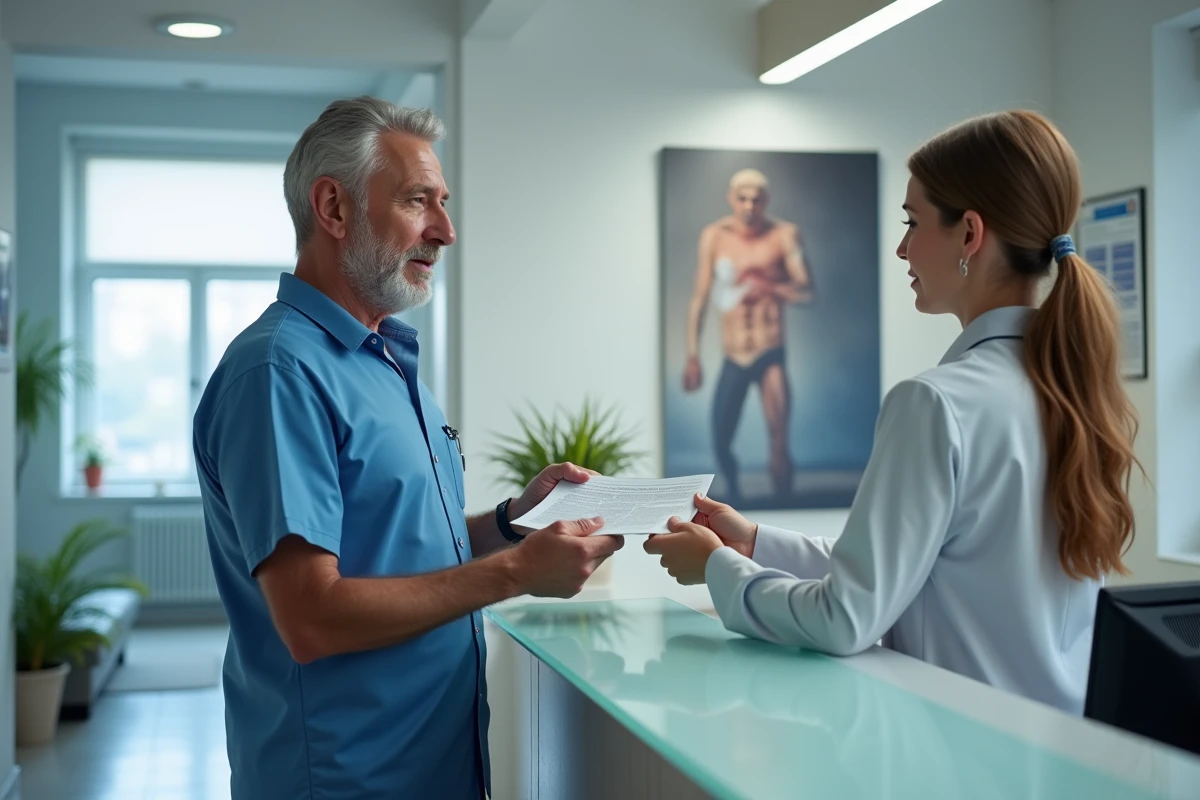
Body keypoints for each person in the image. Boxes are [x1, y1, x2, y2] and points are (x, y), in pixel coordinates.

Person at [193, 97, 623, 799]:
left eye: (443, 203)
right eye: (418, 201)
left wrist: (514, 522)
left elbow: (401, 548)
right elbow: (310, 616)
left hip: (435, 768)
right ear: (333, 209)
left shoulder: (385, 362)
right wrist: (516, 572)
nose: (445, 231)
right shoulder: (278, 373)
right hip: (344, 780)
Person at [647, 110, 1141, 715]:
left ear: (969, 234)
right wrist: (753, 542)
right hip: (1056, 745)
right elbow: (919, 569)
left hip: (956, 743)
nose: (902, 248)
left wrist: (717, 568)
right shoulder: (1076, 392)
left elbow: (844, 618)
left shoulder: (935, 402)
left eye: (912, 223)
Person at [682, 168, 813, 504]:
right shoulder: (715, 236)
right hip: (735, 353)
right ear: (731, 198)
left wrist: (768, 286)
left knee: (779, 441)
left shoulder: (784, 235)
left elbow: (806, 292)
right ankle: (734, 497)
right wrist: (693, 356)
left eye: (756, 199)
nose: (749, 206)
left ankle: (786, 505)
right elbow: (699, 299)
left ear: (766, 200)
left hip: (770, 351)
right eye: (742, 198)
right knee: (721, 439)